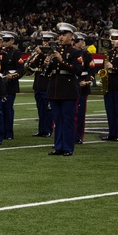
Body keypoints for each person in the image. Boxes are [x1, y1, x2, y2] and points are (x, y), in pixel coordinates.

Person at [46, 23, 83, 156]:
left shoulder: (75, 52)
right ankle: (58, 146)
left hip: (68, 90)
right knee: (57, 120)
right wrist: (48, 64)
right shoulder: (55, 52)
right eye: (60, 35)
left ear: (71, 36)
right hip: (55, 89)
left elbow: (78, 70)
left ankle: (68, 147)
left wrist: (62, 61)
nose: (61, 37)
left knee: (68, 120)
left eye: (64, 35)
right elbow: (50, 72)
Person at [73, 31, 94, 144]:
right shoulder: (71, 53)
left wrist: (86, 82)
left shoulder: (86, 55)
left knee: (80, 113)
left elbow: (91, 71)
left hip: (82, 87)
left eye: (78, 41)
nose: (76, 43)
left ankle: (78, 136)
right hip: (72, 85)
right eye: (75, 41)